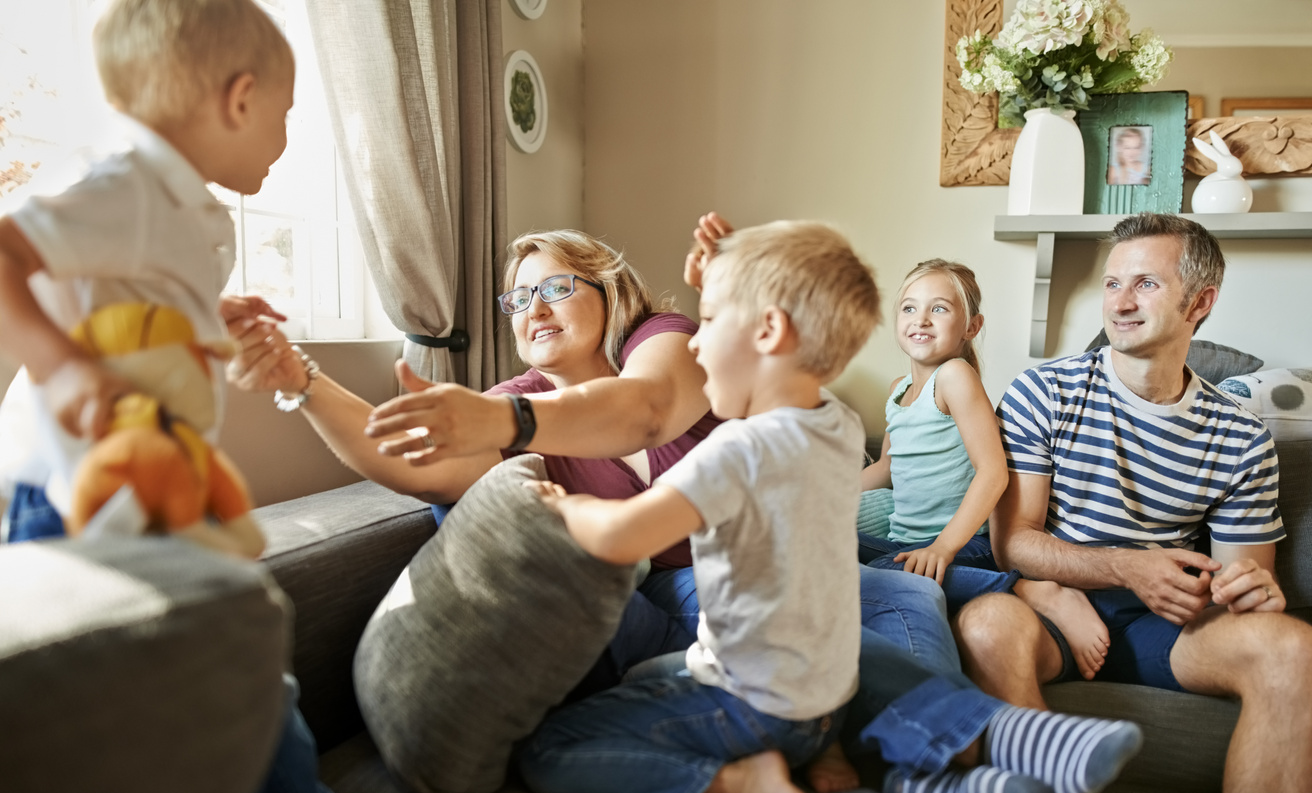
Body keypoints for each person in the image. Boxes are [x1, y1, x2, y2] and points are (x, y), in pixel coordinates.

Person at [518, 221, 1144, 793]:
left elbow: (623, 537)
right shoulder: (836, 425)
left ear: (767, 331)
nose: (695, 348)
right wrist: (732, 276)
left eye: (708, 323)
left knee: (547, 748)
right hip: (824, 697)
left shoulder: (733, 452)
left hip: (755, 703)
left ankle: (735, 785)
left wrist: (560, 507)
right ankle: (982, 757)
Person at [0, 0, 381, 793]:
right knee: (234, 660)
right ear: (240, 99)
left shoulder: (173, 206)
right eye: (286, 119)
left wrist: (209, 317)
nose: (285, 140)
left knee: (149, 683)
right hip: (86, 490)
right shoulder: (126, 183)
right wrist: (57, 368)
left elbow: (123, 306)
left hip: (124, 489)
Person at [228, 223, 951, 681]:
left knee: (917, 594)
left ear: (606, 291)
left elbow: (644, 411)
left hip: (774, 551)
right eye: (517, 299)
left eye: (554, 287)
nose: (532, 308)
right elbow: (409, 460)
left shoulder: (663, 338)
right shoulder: (510, 402)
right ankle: (925, 749)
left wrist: (497, 417)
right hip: (681, 591)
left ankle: (934, 743)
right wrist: (302, 379)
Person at [957, 212, 1312, 793]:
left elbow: (1242, 581)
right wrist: (1127, 566)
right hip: (1053, 606)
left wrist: (1253, 587)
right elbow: (1014, 544)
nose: (1120, 301)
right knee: (983, 626)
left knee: (1293, 650)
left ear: (1199, 302)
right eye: (1112, 283)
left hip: (1166, 621)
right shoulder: (1044, 391)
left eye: (1145, 284)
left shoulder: (1241, 435)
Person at [858, 260, 1110, 680]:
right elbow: (886, 466)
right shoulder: (897, 390)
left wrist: (942, 547)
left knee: (881, 578)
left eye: (938, 309)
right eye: (909, 308)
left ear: (971, 327)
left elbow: (993, 472)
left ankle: (1033, 590)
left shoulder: (955, 377)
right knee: (832, 554)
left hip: (964, 544)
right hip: (904, 541)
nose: (920, 319)